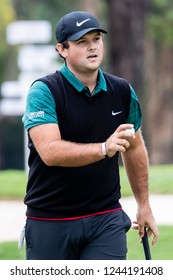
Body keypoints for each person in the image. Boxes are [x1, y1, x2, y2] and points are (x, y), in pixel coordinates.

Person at [22, 11, 159, 260]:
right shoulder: (44, 91)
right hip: (50, 220)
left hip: (105, 219)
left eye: (96, 39)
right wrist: (104, 148)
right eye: (82, 42)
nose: (92, 47)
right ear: (62, 50)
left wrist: (144, 204)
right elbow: (50, 151)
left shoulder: (121, 90)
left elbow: (135, 147)